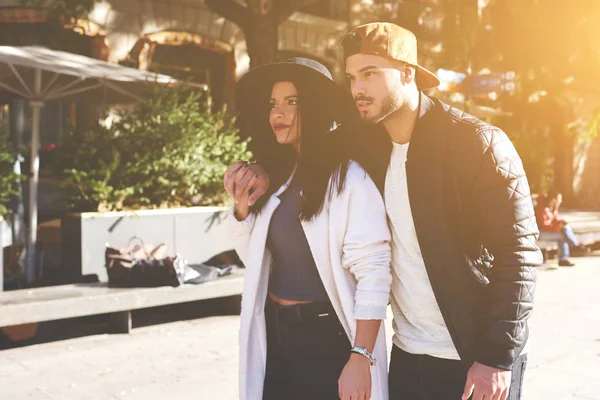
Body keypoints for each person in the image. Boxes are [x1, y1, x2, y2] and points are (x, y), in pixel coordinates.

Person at [227, 23, 543, 400]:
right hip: (408, 354)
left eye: (371, 74)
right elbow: (302, 149)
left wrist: (496, 357)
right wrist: (261, 170)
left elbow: (519, 254)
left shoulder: (476, 143)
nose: (358, 88)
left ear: (409, 72)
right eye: (352, 77)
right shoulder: (365, 142)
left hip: (473, 356)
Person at [227, 57, 392, 400]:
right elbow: (254, 260)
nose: (277, 113)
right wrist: (242, 207)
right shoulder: (278, 177)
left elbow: (374, 274)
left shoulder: (350, 179)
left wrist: (361, 357)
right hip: (275, 332)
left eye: (291, 102)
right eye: (273, 104)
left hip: (325, 337)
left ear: (314, 107)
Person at [535, 192, 580, 266]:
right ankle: (569, 251)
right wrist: (558, 227)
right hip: (540, 232)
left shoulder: (552, 207)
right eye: (560, 199)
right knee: (562, 235)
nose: (561, 201)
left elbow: (554, 220)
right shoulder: (541, 208)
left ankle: (574, 246)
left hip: (547, 231)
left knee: (565, 227)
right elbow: (543, 226)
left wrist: (561, 222)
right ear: (554, 199)